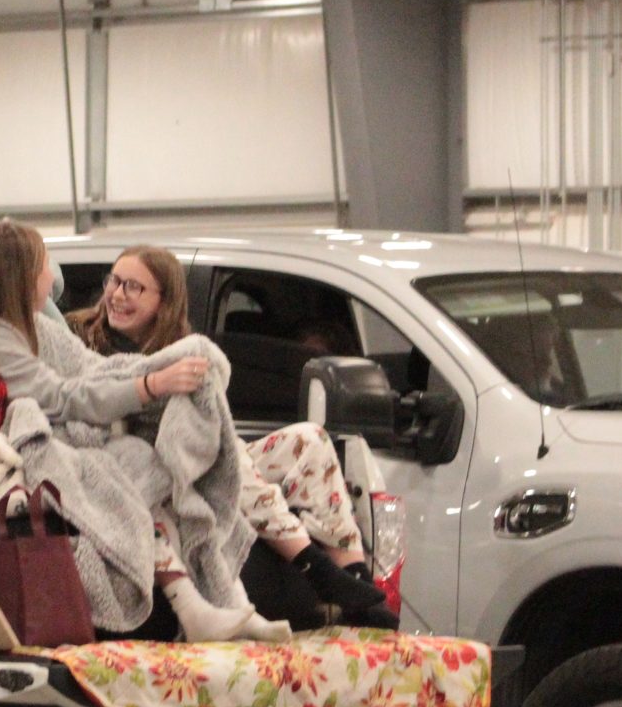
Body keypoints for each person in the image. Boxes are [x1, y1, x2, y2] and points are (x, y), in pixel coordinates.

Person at [0, 221, 288, 643]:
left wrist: (155, 375)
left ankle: (223, 603)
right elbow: (61, 397)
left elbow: (85, 372)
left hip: (79, 433)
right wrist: (150, 384)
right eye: (44, 267)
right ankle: (207, 604)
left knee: (159, 464)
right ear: (21, 275)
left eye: (134, 286)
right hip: (42, 449)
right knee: (141, 464)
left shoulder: (26, 329)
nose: (52, 279)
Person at [68, 245, 390, 622]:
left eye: (133, 287)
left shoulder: (181, 348)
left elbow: (207, 419)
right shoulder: (81, 338)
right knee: (230, 456)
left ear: (164, 302)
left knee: (309, 440)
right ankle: (314, 566)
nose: (117, 295)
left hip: (197, 463)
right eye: (114, 281)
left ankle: (356, 581)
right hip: (145, 470)